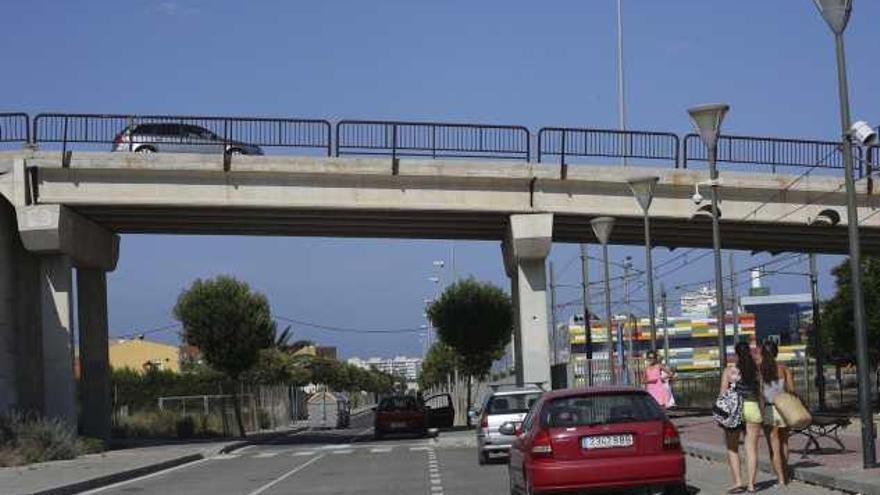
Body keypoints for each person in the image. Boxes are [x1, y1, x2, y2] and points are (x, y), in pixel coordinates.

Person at [720, 342, 762, 494]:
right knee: (751, 449)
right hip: (752, 407)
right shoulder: (756, 369)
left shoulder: (730, 371)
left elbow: (723, 394)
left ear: (736, 354)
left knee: (732, 447)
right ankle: (751, 484)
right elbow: (760, 392)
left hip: (735, 409)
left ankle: (738, 482)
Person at [760, 339, 795, 487]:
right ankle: (785, 474)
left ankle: (780, 478)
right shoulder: (783, 368)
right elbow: (792, 390)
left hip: (769, 408)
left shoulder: (760, 369)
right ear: (776, 352)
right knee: (785, 442)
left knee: (773, 446)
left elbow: (759, 392)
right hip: (784, 408)